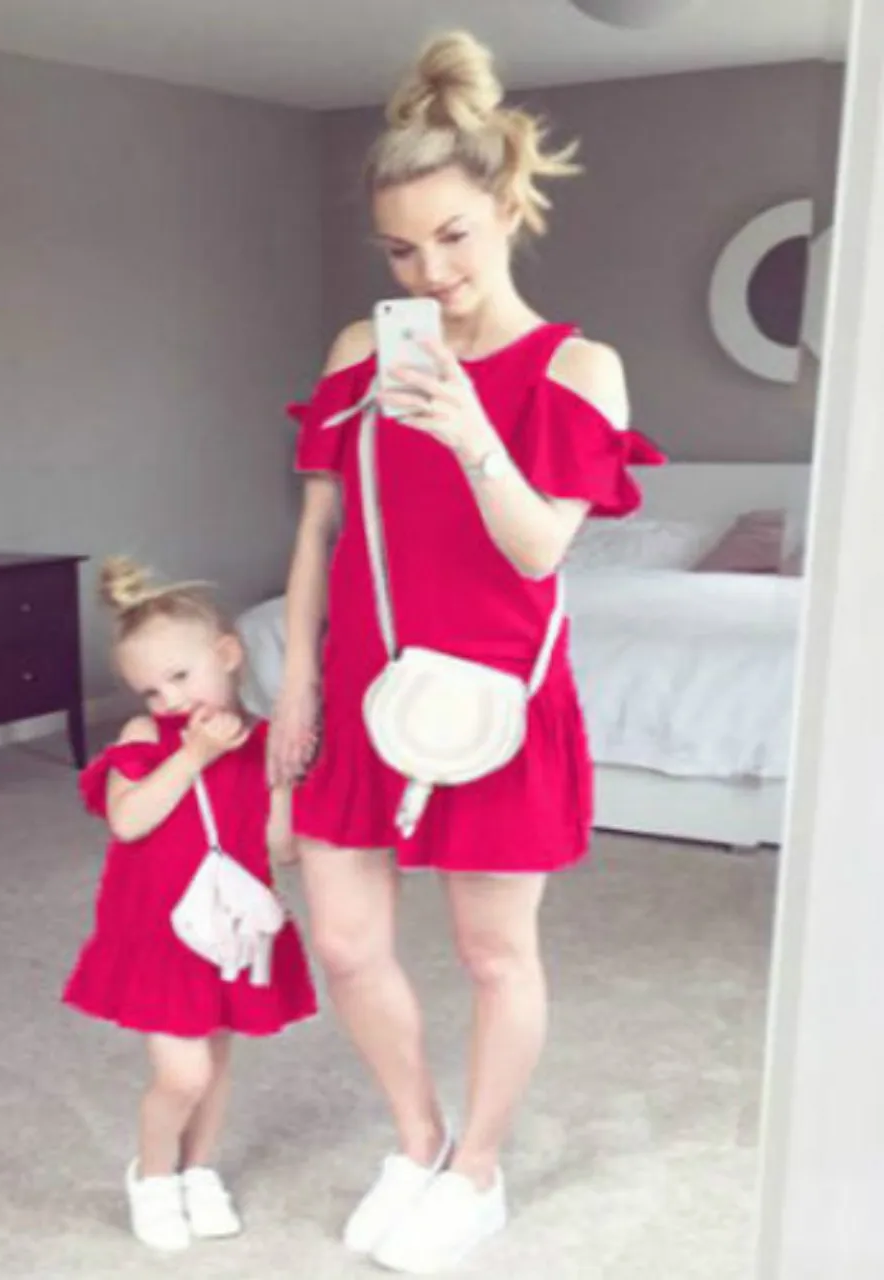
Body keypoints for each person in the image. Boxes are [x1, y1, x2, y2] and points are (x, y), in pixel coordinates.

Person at [268, 28, 665, 1276]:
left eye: (451, 235)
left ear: (504, 208)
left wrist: (467, 427)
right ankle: (420, 1137)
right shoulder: (355, 354)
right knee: (341, 939)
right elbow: (319, 531)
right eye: (399, 248)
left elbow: (540, 550)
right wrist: (293, 683)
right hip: (361, 692)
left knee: (494, 951)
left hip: (493, 702)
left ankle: (478, 1172)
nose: (426, 270)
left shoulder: (577, 369)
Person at [63, 556, 317, 1254]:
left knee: (218, 1063)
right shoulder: (146, 740)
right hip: (158, 934)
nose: (169, 700)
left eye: (180, 677)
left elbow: (282, 847)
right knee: (183, 1072)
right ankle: (152, 1176)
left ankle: (198, 1171)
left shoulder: (262, 745)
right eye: (150, 689)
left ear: (227, 656)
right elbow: (129, 821)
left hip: (227, 933)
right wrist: (192, 756)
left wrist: (291, 782)